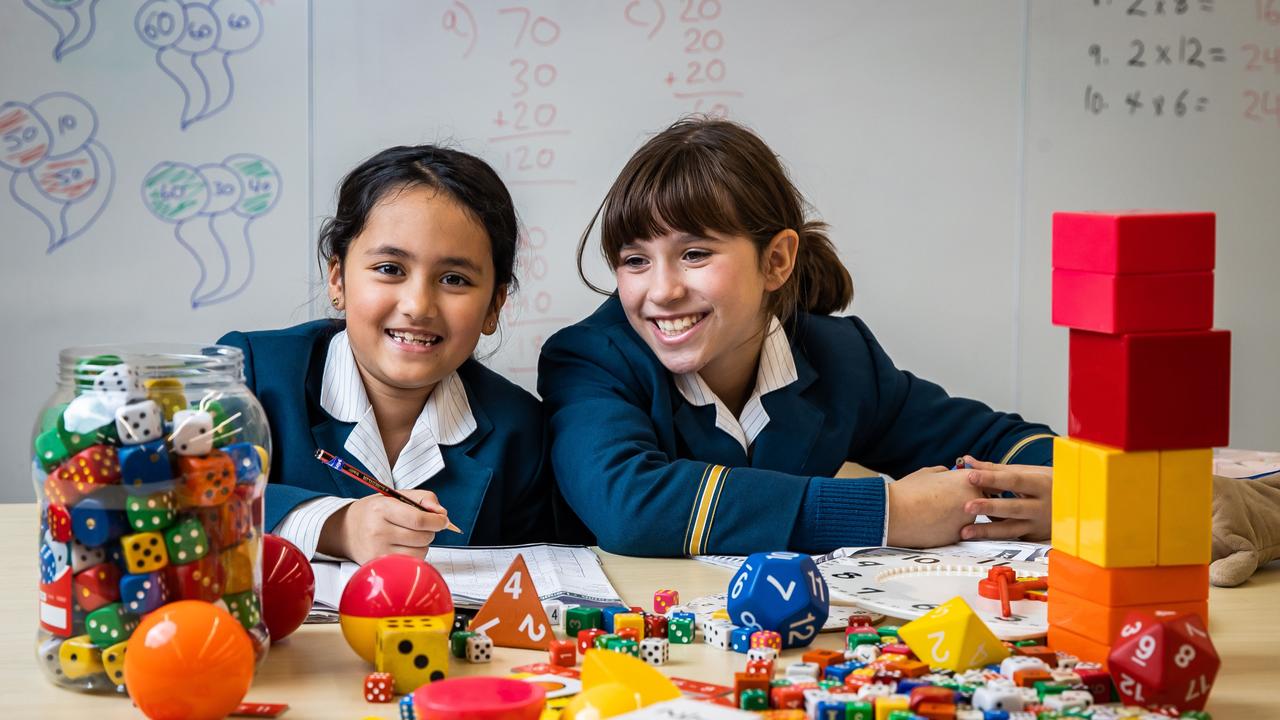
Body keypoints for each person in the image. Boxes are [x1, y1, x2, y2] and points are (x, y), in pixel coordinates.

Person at [538, 118, 1055, 557]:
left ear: (777, 260)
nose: (663, 290)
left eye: (694, 254)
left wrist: (1061, 493)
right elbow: (634, 507)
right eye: (635, 261)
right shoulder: (590, 358)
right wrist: (890, 512)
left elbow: (1002, 441)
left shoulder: (840, 358)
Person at [220, 145, 552, 563]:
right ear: (338, 279)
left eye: (454, 279)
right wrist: (336, 526)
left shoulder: (520, 432)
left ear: (493, 307)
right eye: (390, 269)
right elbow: (179, 502)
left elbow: (541, 577)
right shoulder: (247, 374)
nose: (418, 305)